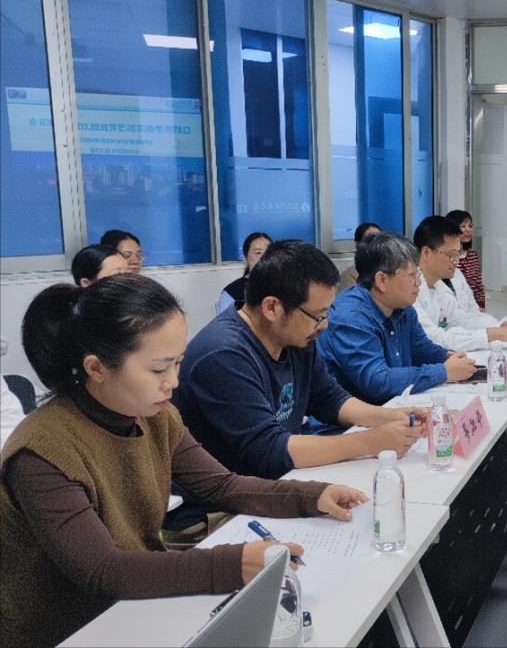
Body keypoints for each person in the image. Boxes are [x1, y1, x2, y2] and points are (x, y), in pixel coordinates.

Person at [0, 274, 368, 647]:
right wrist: (235, 564)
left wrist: (311, 496)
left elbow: (221, 486)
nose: (173, 381)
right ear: (96, 368)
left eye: (178, 362)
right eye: (158, 369)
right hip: (70, 630)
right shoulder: (40, 453)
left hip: (137, 604)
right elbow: (103, 571)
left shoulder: (155, 415)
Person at [172, 240, 428, 488]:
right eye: (317, 315)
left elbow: (329, 399)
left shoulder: (296, 337)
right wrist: (372, 441)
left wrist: (391, 416)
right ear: (272, 308)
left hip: (279, 482)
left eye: (327, 312)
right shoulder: (223, 354)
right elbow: (269, 450)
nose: (324, 324)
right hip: (229, 499)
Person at [317, 232, 478, 405]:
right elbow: (378, 382)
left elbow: (420, 348)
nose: (419, 283)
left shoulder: (403, 307)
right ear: (382, 280)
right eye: (412, 276)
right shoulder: (351, 317)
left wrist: (447, 357)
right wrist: (443, 372)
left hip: (391, 406)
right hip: (352, 417)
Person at [412, 216, 507, 352]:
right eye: (451, 255)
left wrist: (501, 327)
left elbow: (462, 320)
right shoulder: (410, 289)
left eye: (458, 254)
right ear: (426, 253)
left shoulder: (439, 287)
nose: (456, 261)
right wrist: (496, 333)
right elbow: (435, 338)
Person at [216, 232, 272, 314]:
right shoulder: (232, 293)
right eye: (258, 253)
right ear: (246, 258)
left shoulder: (283, 286)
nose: (264, 257)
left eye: (268, 252)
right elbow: (224, 321)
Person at [445, 209, 485, 310]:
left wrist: (481, 307)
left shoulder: (472, 254)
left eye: (470, 226)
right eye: (463, 226)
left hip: (473, 307)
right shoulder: (446, 256)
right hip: (453, 306)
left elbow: (478, 285)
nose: (468, 230)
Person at [339, 223, 381, 292]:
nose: (375, 245)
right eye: (369, 240)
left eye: (379, 240)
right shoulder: (349, 276)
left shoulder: (390, 271)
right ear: (357, 244)